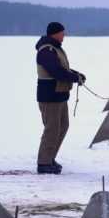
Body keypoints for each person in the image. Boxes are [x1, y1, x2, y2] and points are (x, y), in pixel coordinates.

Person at [35, 22, 86, 174]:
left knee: (62, 126)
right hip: (49, 95)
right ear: (54, 34)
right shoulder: (46, 50)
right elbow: (56, 71)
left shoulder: (55, 49)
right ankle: (43, 163)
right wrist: (74, 78)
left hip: (60, 95)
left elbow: (63, 69)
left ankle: (50, 158)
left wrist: (76, 75)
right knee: (52, 129)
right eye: (62, 33)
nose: (64, 35)